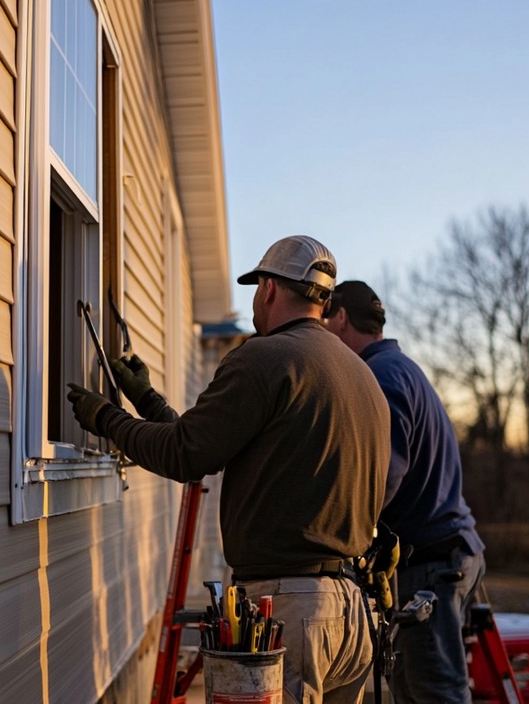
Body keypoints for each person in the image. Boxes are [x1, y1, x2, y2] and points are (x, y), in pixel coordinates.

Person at [66, 236, 390, 704]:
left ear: (270, 288)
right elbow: (209, 441)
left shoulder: (265, 357)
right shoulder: (360, 375)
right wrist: (147, 400)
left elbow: (186, 455)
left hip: (289, 610)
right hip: (352, 617)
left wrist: (106, 419)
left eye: (256, 286)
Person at [322, 280, 486, 704]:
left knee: (436, 694)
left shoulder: (380, 375)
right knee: (411, 689)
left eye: (325, 319)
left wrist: (343, 532)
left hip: (431, 565)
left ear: (340, 317)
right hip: (448, 553)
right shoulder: (401, 367)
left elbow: (383, 474)